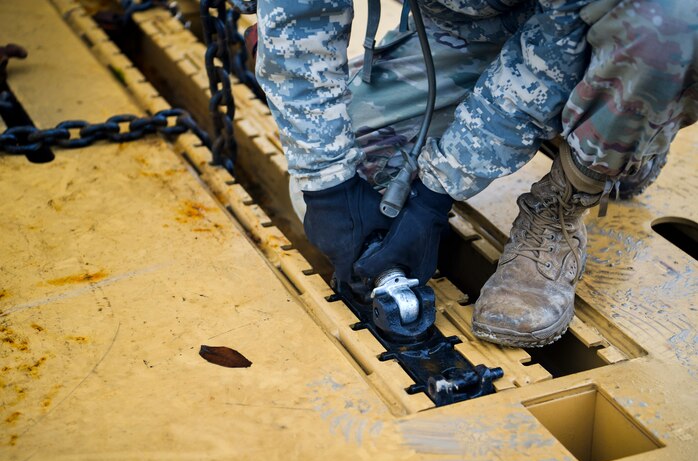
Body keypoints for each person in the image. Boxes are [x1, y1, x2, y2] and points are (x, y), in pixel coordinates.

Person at [255, 0, 697, 347]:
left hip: (610, 31)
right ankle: (608, 128)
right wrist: (327, 183)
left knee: (675, 19)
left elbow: (553, 50)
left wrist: (437, 188)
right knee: (353, 177)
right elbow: (301, 15)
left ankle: (584, 177)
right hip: (477, 25)